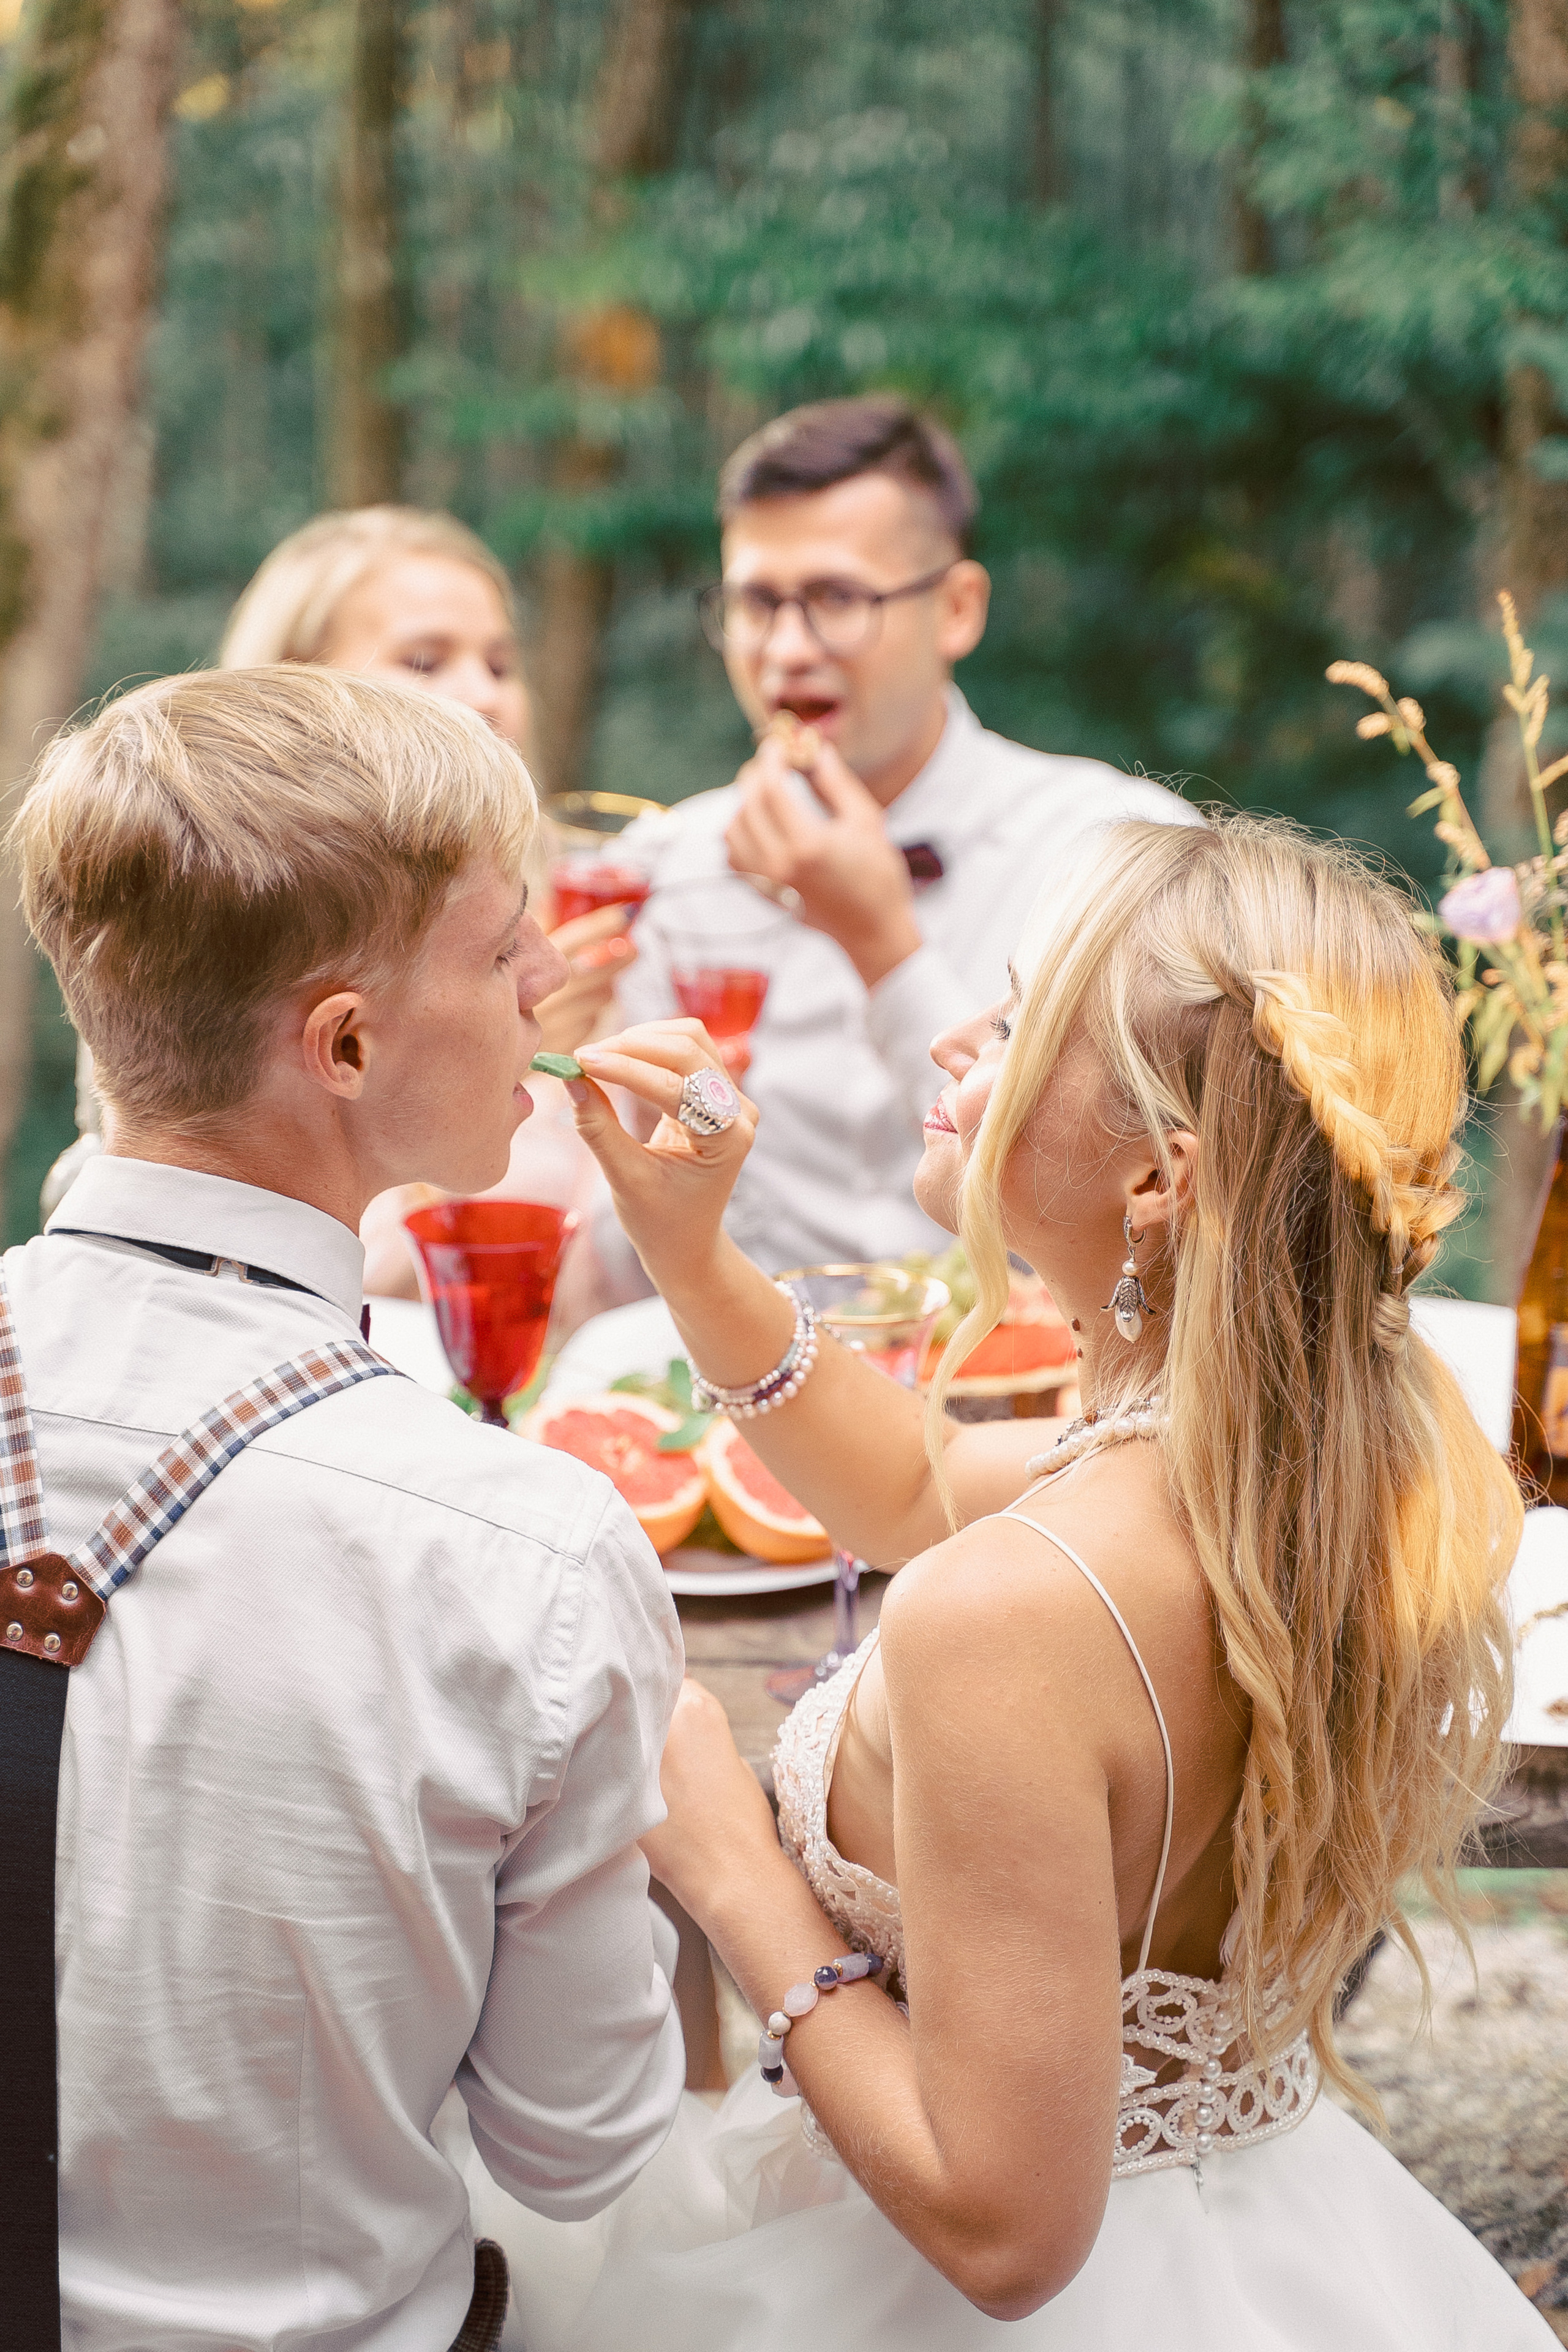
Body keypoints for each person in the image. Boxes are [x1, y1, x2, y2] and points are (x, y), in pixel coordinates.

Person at [470, 810, 1553, 2349]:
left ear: (1159, 1184)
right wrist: (694, 1255)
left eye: (1016, 1017)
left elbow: (1002, 2231)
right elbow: (911, 1484)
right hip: (1273, 2238)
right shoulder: (1322, 1452)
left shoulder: (1011, 1613)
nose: (951, 1041)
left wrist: (728, 1870)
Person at [4, 668, 685, 2350]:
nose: (553, 980)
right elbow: (579, 2140)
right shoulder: (523, 1553)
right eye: (502, 946)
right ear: (347, 1042)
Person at [615, 395, 1199, 1269]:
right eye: (756, 603)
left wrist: (880, 945)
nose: (785, 650)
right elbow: (637, 1240)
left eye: (836, 598)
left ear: (957, 609)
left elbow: (1160, 1209)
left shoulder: (1123, 851)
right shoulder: (662, 874)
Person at [46, 507, 642, 1325]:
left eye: (502, 663)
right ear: (294, 691)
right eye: (426, 660)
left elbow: (595, 1277)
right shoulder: (189, 951)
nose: (483, 695)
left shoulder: (577, 917)